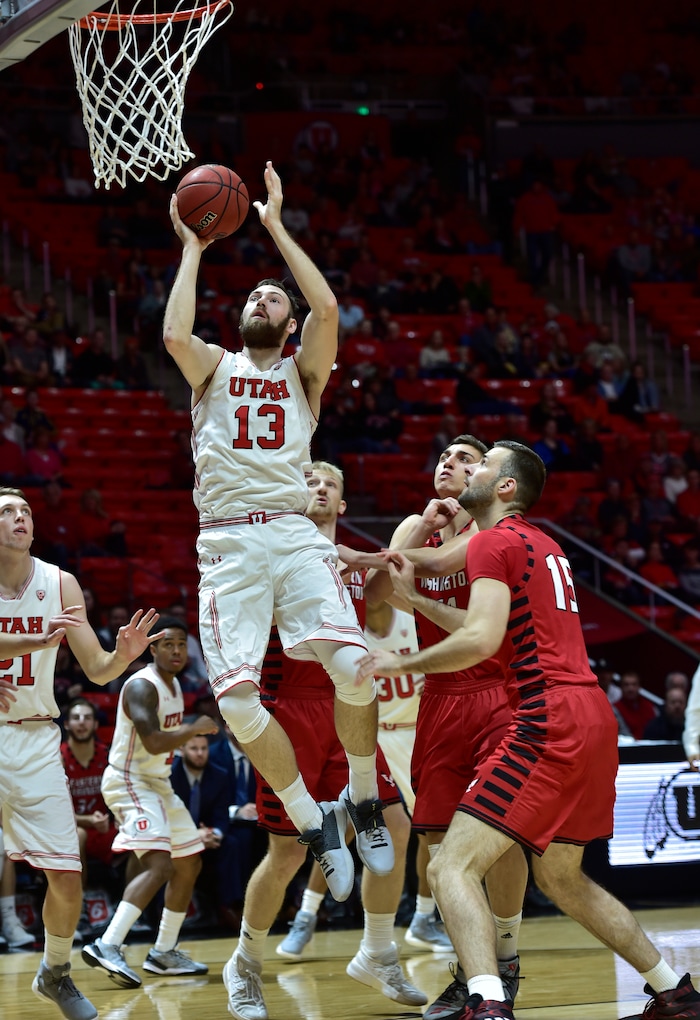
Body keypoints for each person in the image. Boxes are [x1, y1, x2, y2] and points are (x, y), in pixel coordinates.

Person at [355, 441, 700, 1020]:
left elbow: (479, 640)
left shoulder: (492, 538)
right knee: (562, 877)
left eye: (483, 462)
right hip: (590, 714)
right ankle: (675, 991)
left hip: (546, 715)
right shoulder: (542, 542)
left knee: (449, 867)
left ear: (505, 487)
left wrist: (399, 663)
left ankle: (487, 1001)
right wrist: (399, 581)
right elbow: (467, 612)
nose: (470, 469)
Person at [162, 160, 393, 912]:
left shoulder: (305, 374)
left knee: (354, 666)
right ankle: (309, 818)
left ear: (286, 324)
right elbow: (172, 331)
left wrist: (272, 227)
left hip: (294, 536)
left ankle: (360, 799)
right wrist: (195, 248)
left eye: (274, 298)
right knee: (234, 703)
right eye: (255, 294)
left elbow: (326, 309)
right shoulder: (214, 368)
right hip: (228, 543)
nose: (264, 298)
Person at [223, 462, 425, 1019]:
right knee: (288, 850)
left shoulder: (357, 565)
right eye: (307, 481)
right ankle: (244, 962)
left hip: (347, 708)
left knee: (395, 823)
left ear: (341, 506)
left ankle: (378, 951)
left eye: (329, 485)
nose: (317, 488)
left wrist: (428, 520)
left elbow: (398, 574)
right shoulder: (271, 551)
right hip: (287, 709)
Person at [343, 436, 528, 1019]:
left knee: (497, 839)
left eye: (466, 460)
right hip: (440, 699)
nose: (450, 464)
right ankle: (475, 969)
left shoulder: (489, 536)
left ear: (487, 480)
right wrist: (420, 525)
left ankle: (505, 960)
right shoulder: (423, 530)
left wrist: (406, 580)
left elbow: (425, 599)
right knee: (435, 842)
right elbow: (381, 590)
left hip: (497, 691)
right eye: (445, 457)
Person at [0, 484, 161, 1020]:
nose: (20, 518)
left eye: (25, 511)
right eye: (7, 512)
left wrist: (123, 657)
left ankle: (55, 971)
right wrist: (30, 642)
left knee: (67, 875)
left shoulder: (59, 582)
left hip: (35, 737)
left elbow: (95, 669)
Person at [80, 617, 219, 988]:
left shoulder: (174, 686)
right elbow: (155, 741)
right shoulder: (143, 686)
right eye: (167, 644)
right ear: (152, 649)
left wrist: (188, 726)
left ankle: (163, 952)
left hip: (156, 782)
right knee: (160, 866)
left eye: (180, 645)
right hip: (129, 781)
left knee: (189, 863)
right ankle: (107, 944)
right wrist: (193, 727)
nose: (175, 651)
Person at [170, 734, 244, 927]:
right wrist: (194, 836)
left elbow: (222, 815)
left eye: (204, 748)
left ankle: (230, 906)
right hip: (176, 837)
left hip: (208, 837)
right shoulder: (169, 776)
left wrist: (214, 834)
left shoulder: (219, 774)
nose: (200, 754)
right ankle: (169, 910)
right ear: (181, 750)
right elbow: (167, 818)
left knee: (232, 843)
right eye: (194, 749)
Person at [60, 697, 119, 940]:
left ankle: (135, 908)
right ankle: (79, 910)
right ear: (66, 725)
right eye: (76, 718)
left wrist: (118, 818)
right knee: (78, 835)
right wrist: (86, 821)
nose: (81, 723)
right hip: (69, 829)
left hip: (104, 828)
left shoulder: (108, 755)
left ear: (96, 724)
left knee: (140, 835)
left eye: (87, 718)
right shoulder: (57, 757)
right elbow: (55, 810)